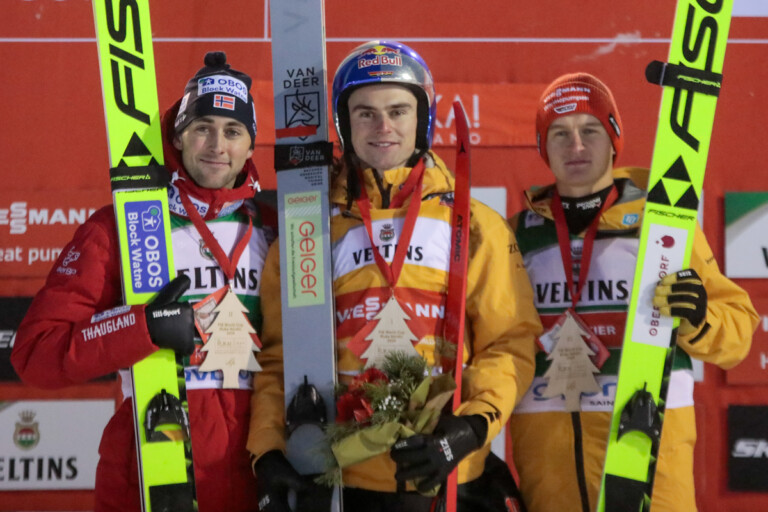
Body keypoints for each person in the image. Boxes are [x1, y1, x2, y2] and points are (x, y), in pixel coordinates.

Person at [247, 40, 541, 511]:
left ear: (423, 118)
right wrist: (269, 452)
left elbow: (509, 343)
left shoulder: (473, 222)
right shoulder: (311, 230)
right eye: (364, 113)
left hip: (448, 475)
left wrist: (469, 428)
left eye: (398, 111)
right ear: (343, 124)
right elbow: (281, 362)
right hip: (346, 482)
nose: (382, 127)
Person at [12, 52, 273, 512]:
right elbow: (37, 352)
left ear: (251, 147)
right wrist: (141, 328)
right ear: (178, 134)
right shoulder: (126, 227)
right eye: (202, 128)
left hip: (261, 477)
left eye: (233, 132)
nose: (216, 144)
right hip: (152, 475)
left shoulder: (279, 230)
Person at [506, 72, 759, 512]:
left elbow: (737, 335)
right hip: (550, 472)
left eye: (590, 131)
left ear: (615, 137)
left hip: (648, 460)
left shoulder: (662, 224)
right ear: (542, 146)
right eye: (559, 134)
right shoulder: (515, 235)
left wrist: (699, 318)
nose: (576, 146)